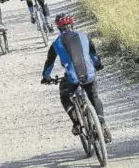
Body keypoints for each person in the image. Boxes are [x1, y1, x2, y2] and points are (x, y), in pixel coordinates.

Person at [41, 13, 111, 143]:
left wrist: (46, 77)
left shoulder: (56, 43)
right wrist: (98, 65)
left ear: (58, 28)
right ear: (72, 24)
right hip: (89, 74)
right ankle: (102, 124)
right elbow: (93, 55)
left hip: (73, 77)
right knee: (94, 97)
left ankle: (77, 123)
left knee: (64, 95)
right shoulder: (84, 36)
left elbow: (49, 62)